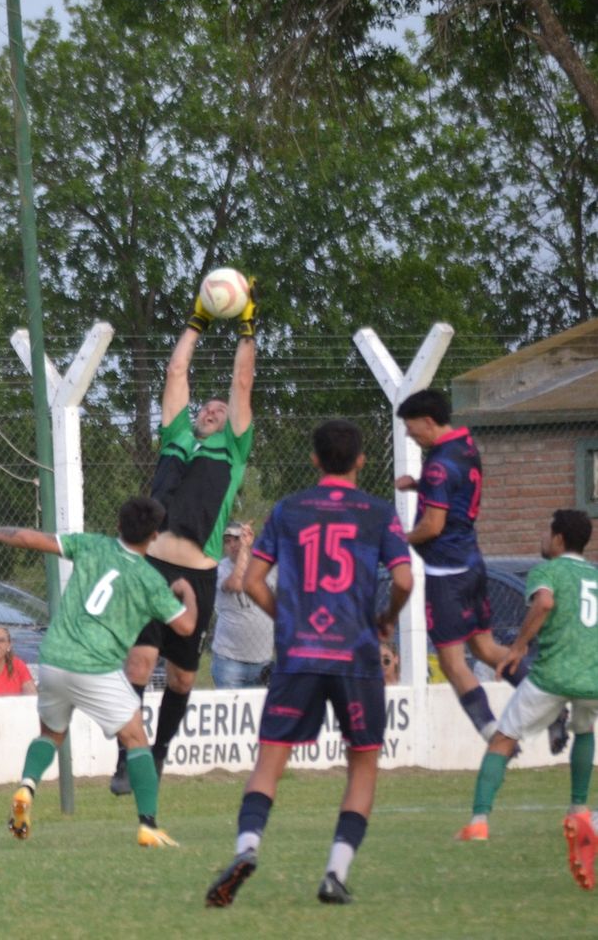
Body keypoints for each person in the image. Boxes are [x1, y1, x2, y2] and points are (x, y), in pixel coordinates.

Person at [206, 419, 412, 908]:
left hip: (299, 654)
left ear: (315, 460)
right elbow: (404, 580)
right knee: (361, 766)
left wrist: (289, 621)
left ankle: (248, 848)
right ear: (361, 461)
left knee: (270, 760)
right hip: (357, 654)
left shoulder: (288, 510)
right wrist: (386, 618)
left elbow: (255, 581)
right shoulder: (379, 513)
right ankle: (334, 874)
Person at [0, 497, 198, 848]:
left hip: (55, 659)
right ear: (154, 536)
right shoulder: (150, 580)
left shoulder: (91, 545)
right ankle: (148, 825)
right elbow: (186, 627)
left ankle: (27, 787)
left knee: (51, 734)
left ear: (118, 527)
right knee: (135, 739)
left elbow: (31, 538)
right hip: (96, 666)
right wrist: (187, 593)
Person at [114, 277, 256, 795]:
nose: (211, 411)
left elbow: (242, 385)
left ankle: (159, 750)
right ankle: (128, 758)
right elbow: (177, 370)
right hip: (151, 567)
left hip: (196, 572)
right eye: (206, 408)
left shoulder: (233, 450)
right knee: (138, 661)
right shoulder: (177, 435)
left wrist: (246, 328)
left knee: (180, 679)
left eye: (219, 412)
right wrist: (197, 320)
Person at [393, 389, 559, 750]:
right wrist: (419, 486)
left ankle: (493, 734)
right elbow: (457, 485)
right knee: (486, 648)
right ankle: (550, 706)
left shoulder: (437, 465)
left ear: (428, 421)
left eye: (410, 428)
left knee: (453, 664)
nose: (409, 435)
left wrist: (402, 537)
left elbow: (433, 526)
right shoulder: (464, 447)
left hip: (446, 575)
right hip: (472, 564)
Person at [456, 510, 598, 892]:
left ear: (558, 539)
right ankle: (578, 810)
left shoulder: (545, 572)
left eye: (546, 530)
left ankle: (479, 822)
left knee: (502, 739)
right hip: (594, 677)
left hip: (553, 674)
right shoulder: (595, 576)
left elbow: (545, 604)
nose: (542, 537)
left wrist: (517, 648)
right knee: (584, 728)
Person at [211, 521, 274, 689]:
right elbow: (238, 583)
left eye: (237, 539)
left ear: (248, 538)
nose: (232, 545)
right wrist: (244, 550)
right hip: (229, 662)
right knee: (230, 713)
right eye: (227, 541)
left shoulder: (268, 567)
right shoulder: (220, 568)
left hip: (264, 661)